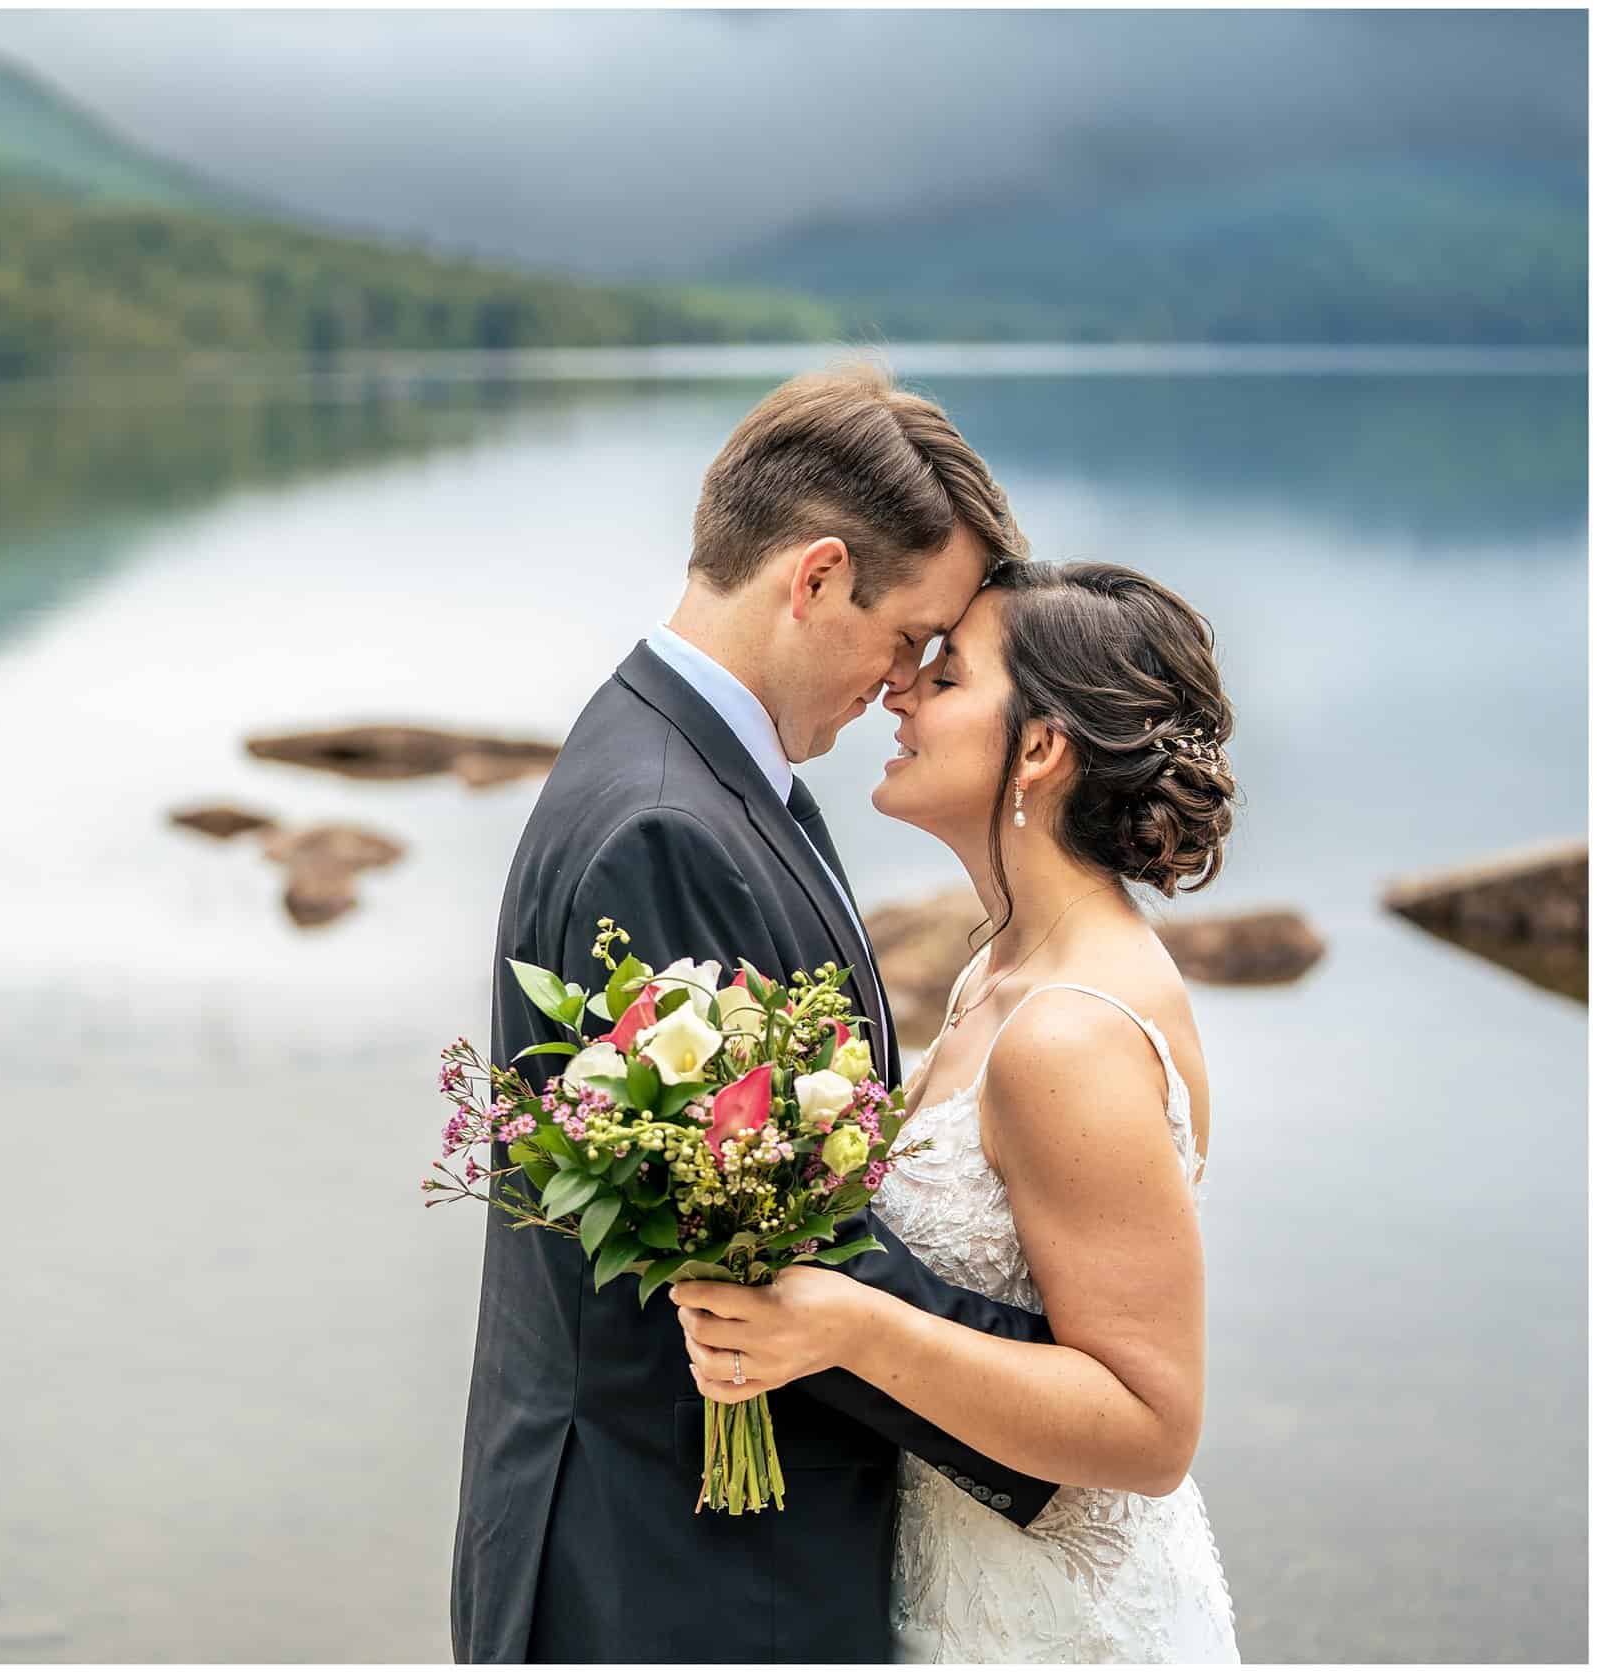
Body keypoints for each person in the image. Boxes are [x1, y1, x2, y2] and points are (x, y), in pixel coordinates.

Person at [452, 362, 1063, 1664]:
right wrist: (1069, 1409)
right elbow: (773, 1256)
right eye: (910, 638)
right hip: (668, 1571)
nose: (905, 685)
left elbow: (763, 1194)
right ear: (818, 576)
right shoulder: (663, 823)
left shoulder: (694, 759)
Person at [673, 559, 1241, 1661]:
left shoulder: (1066, 1033)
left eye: (946, 674)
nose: (900, 692)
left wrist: (848, 1322)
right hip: (958, 1582)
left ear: (1038, 747)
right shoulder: (1001, 965)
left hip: (1054, 1624)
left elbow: (1150, 1427)